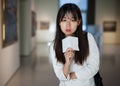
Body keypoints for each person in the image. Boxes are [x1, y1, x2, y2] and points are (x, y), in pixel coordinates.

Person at [50, 3, 100, 86]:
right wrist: (67, 63)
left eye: (72, 20)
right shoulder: (54, 45)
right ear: (59, 22)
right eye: (64, 20)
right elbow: (60, 75)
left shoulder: (87, 38)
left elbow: (94, 66)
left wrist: (73, 75)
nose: (68, 25)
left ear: (78, 22)